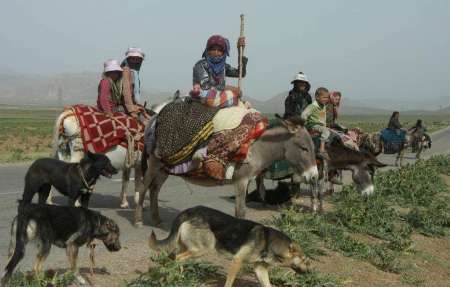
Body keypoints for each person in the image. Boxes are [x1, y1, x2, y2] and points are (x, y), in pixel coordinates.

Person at [191, 34, 247, 108]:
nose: (216, 52)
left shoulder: (223, 66)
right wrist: (231, 88)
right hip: (204, 98)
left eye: (219, 50)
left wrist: (240, 50)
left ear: (224, 52)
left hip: (219, 96)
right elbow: (205, 86)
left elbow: (240, 73)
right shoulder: (200, 65)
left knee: (242, 103)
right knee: (230, 95)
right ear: (208, 50)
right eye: (213, 49)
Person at [301, 87, 330, 158]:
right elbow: (304, 115)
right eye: (324, 97)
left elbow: (323, 118)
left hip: (320, 126)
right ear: (317, 97)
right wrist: (303, 125)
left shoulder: (323, 106)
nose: (326, 99)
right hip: (314, 125)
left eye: (327, 97)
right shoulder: (313, 106)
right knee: (326, 132)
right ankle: (321, 150)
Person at [121, 47, 145, 118]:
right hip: (124, 106)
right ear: (128, 59)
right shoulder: (126, 70)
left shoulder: (134, 73)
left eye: (138, 59)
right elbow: (126, 92)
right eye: (133, 59)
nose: (136, 61)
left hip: (133, 105)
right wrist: (131, 110)